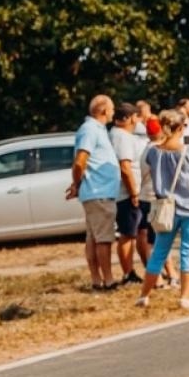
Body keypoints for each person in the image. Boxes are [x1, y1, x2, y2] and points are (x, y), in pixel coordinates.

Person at [137, 109, 189, 311]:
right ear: (181, 127)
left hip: (166, 208)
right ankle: (185, 297)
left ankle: (144, 295)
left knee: (159, 251)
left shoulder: (153, 152)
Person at [67, 94, 120, 291]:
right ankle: (107, 280)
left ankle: (97, 279)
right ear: (104, 110)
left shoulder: (97, 129)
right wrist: (76, 182)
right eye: (112, 109)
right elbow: (80, 160)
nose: (113, 112)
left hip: (97, 191)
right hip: (99, 191)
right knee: (103, 239)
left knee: (94, 238)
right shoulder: (91, 130)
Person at [110, 102, 148, 286]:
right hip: (126, 193)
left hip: (131, 191)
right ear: (130, 117)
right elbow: (125, 168)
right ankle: (128, 273)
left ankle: (133, 271)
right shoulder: (121, 137)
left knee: (136, 232)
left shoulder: (121, 135)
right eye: (135, 117)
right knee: (127, 234)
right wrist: (133, 192)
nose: (137, 120)